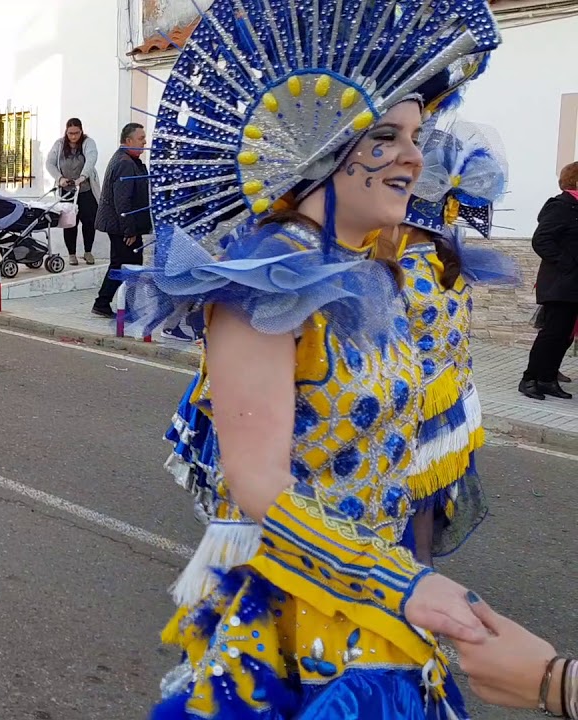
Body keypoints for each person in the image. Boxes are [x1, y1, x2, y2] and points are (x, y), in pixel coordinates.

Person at [116, 0, 500, 713]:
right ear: (319, 146)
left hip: (377, 597)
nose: (415, 158)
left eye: (415, 135)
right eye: (387, 137)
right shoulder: (263, 288)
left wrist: (404, 572)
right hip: (300, 604)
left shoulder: (380, 270)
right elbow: (258, 483)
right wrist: (400, 585)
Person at [376, 118, 515, 566]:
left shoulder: (397, 277)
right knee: (426, 509)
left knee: (400, 515)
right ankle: (419, 578)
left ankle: (404, 590)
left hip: (411, 418)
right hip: (449, 407)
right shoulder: (449, 264)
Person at [520, 161, 578, 401]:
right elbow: (541, 240)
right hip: (560, 283)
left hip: (572, 285)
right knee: (551, 334)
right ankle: (529, 379)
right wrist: (567, 264)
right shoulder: (562, 206)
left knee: (564, 336)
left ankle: (547, 378)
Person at [91, 123, 149, 318]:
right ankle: (106, 303)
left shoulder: (130, 160)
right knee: (125, 265)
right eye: (141, 138)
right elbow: (123, 200)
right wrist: (129, 231)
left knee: (127, 264)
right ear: (128, 141)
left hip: (122, 224)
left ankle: (115, 304)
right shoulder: (124, 163)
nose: (145, 142)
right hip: (121, 226)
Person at [46, 117, 100, 265]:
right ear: (66, 132)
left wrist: (82, 177)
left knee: (89, 222)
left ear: (81, 131)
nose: (74, 136)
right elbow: (49, 163)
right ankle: (71, 254)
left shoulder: (88, 143)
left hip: (85, 189)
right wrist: (60, 178)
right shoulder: (59, 144)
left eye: (76, 133)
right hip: (67, 191)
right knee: (70, 223)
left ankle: (88, 252)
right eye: (70, 133)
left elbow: (91, 159)